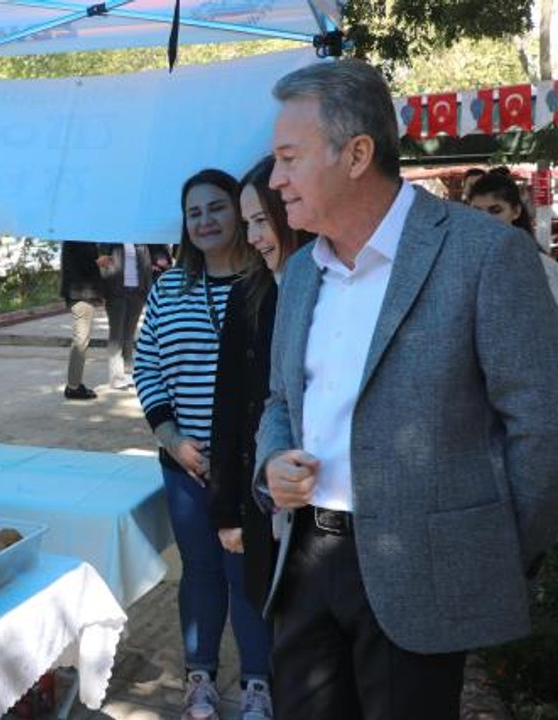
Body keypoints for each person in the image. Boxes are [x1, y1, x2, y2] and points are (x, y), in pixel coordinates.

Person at [257, 59, 558, 720]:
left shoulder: (484, 255)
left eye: (288, 158)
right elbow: (280, 401)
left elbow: (541, 426)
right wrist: (271, 460)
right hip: (305, 563)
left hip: (423, 574)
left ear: (356, 154)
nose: (274, 179)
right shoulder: (302, 271)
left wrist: (487, 553)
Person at [134, 169, 272, 720]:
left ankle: (258, 683)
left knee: (248, 573)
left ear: (239, 210)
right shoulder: (168, 288)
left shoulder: (268, 283)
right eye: (194, 213)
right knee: (201, 571)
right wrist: (171, 440)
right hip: (185, 464)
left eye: (216, 207)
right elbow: (146, 367)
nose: (205, 221)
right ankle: (200, 679)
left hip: (251, 468)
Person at [209, 154, 304, 623]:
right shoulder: (247, 295)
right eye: (247, 224)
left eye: (262, 220)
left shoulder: (340, 289)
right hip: (264, 499)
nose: (251, 237)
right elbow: (229, 405)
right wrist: (227, 509)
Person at [466, 170, 558, 302]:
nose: (485, 220)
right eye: (477, 212)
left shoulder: (543, 267)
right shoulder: (457, 262)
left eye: (495, 211)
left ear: (516, 211)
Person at [97, 243, 170, 390]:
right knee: (116, 335)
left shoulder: (141, 244)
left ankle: (128, 372)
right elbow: (102, 265)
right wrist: (104, 292)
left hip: (137, 293)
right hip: (116, 294)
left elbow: (147, 268)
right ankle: (116, 377)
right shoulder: (112, 242)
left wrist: (147, 293)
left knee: (129, 335)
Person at [60, 241, 104, 400]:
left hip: (80, 293)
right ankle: (73, 387)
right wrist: (99, 262)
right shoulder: (79, 238)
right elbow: (84, 264)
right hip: (81, 294)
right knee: (80, 340)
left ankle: (75, 383)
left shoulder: (75, 236)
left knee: (81, 340)